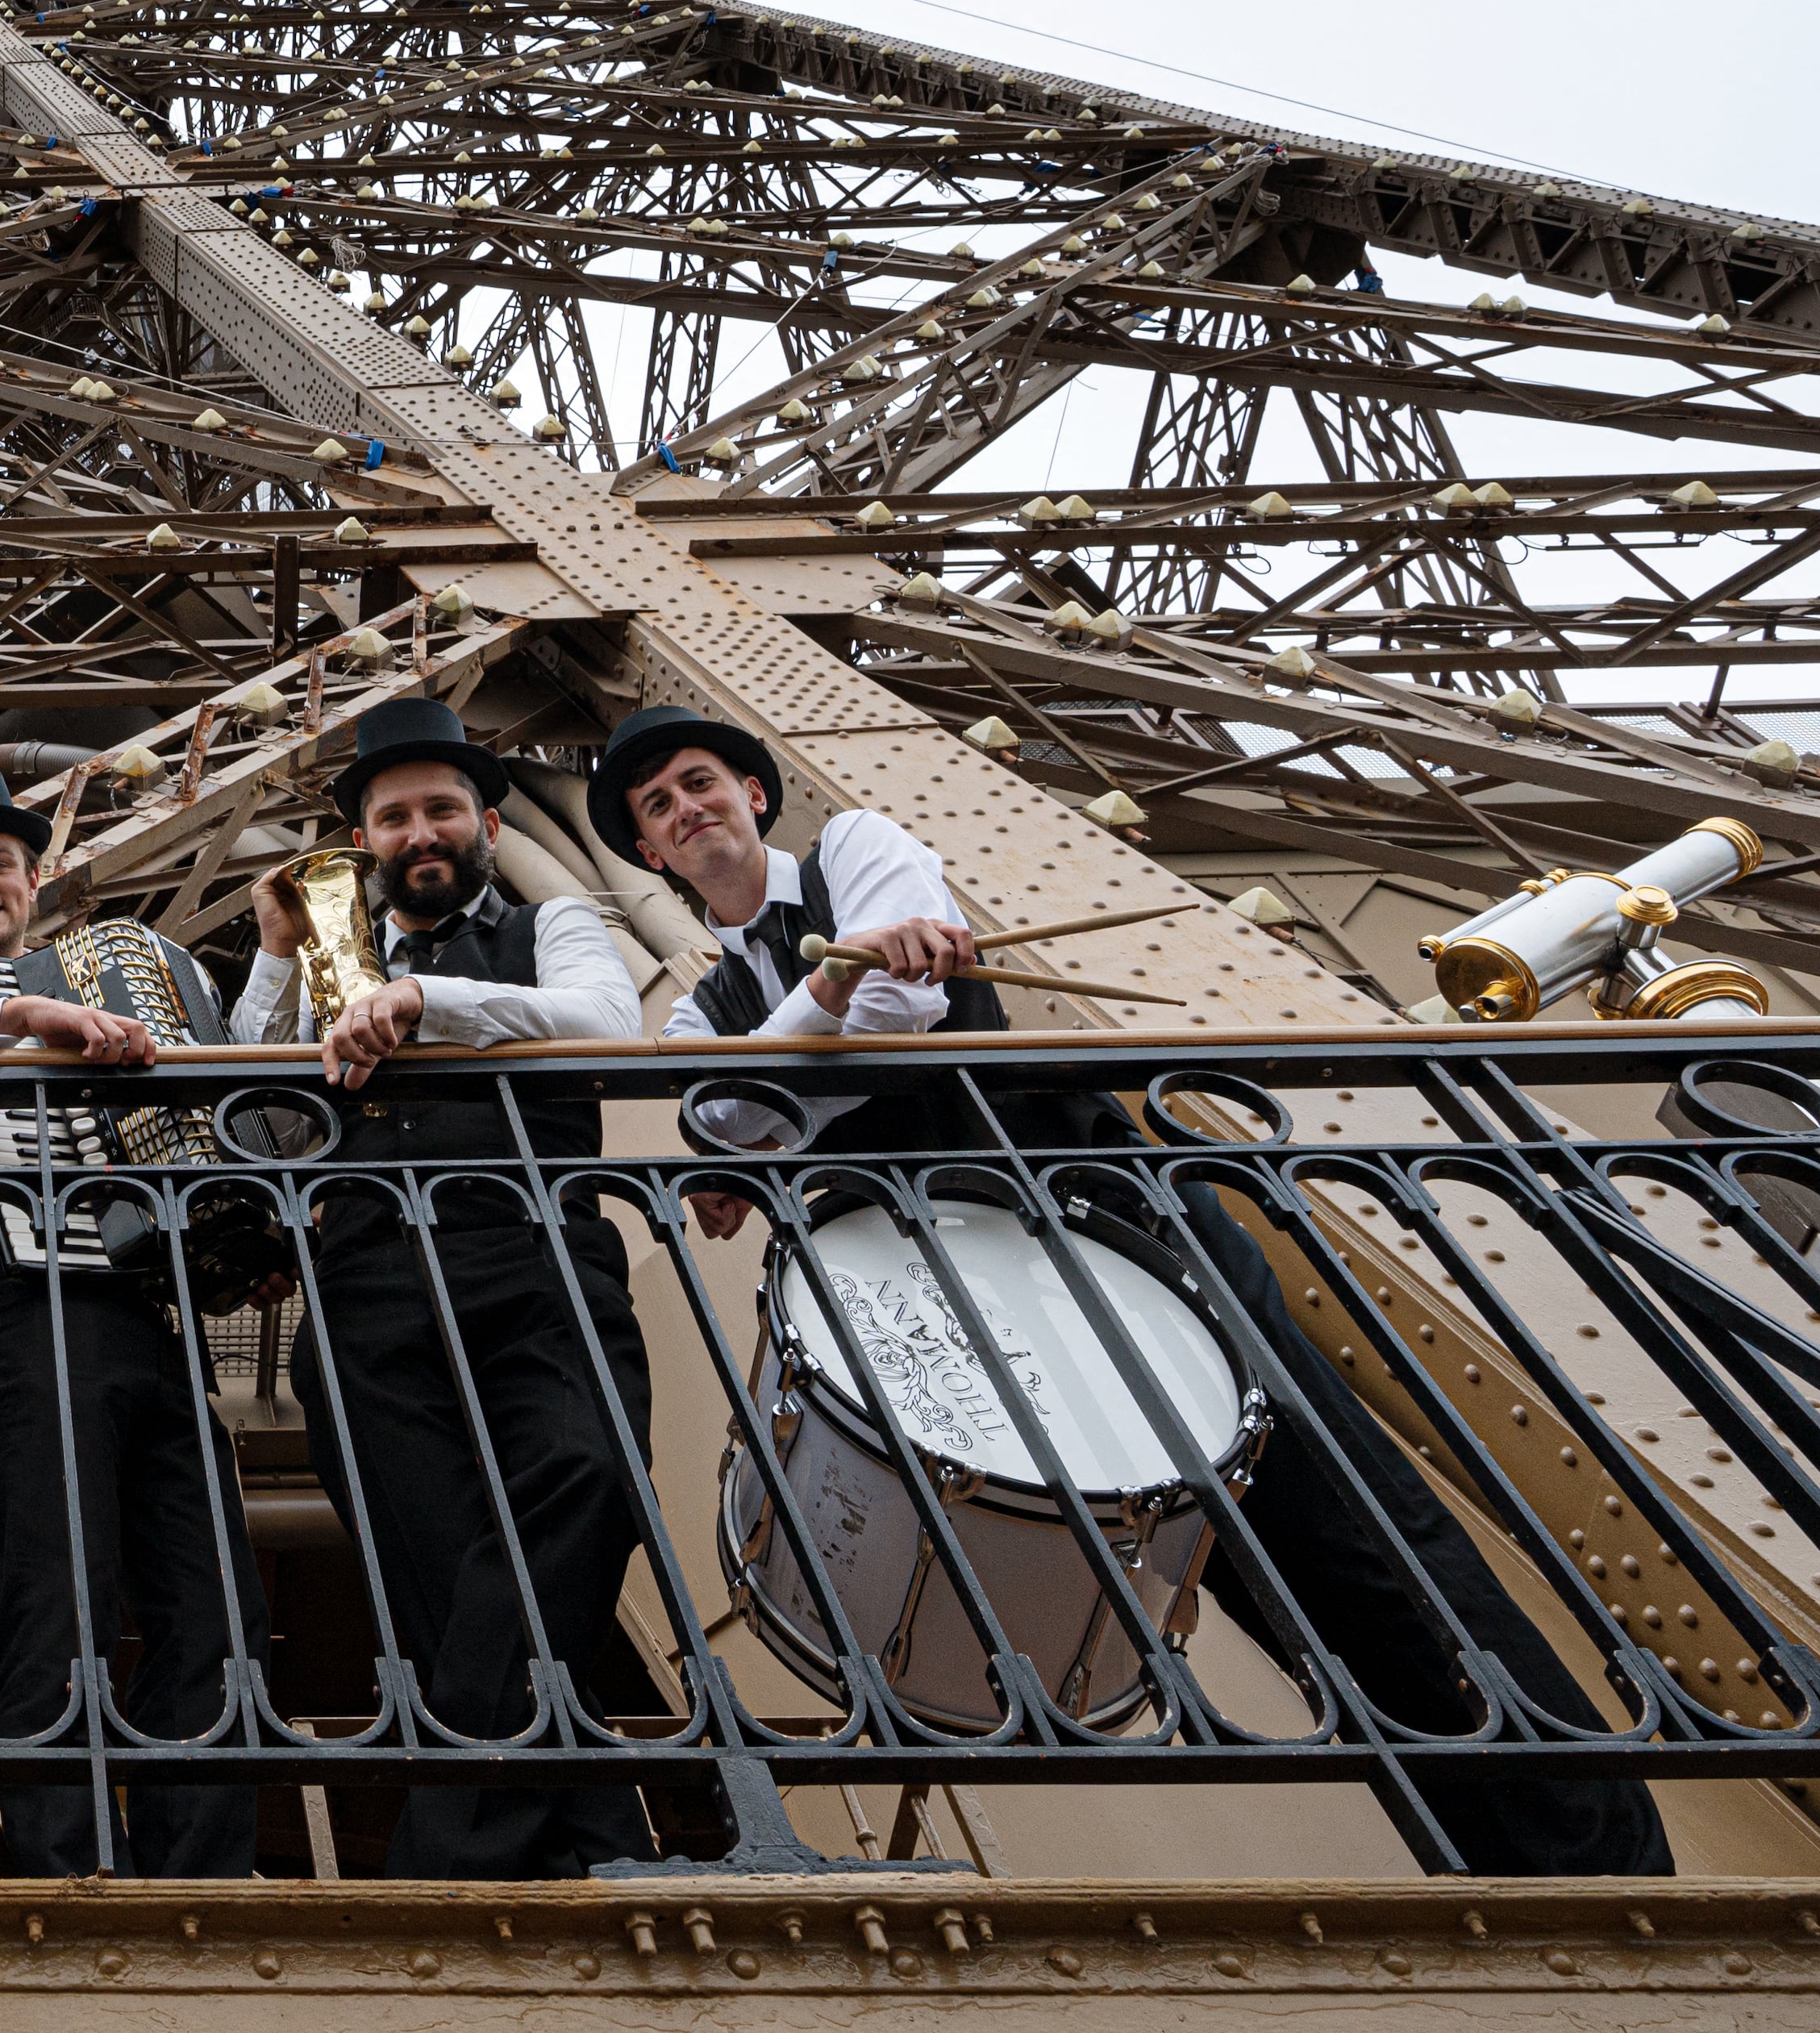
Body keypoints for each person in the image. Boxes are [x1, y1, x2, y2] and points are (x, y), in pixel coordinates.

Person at [591, 700, 1672, 1878]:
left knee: (1331, 1502)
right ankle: (1486, 1847)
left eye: (701, 781)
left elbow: (881, 1029)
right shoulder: (706, 1005)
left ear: (756, 792)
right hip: (975, 1284)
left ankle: (1590, 1834)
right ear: (649, 852)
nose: (687, 807)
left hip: (1102, 1221)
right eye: (658, 805)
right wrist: (824, 1009)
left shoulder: (855, 844)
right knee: (1215, 1552)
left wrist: (783, 1070)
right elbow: (739, 1103)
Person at [227, 695, 656, 1879]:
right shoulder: (327, 960)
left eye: (442, 808)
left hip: (531, 1247)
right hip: (367, 1277)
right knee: (435, 1556)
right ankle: (585, 1824)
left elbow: (606, 1025)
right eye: (394, 813)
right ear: (365, 838)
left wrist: (428, 1003)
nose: (420, 829)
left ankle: (453, 1839)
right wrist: (275, 959)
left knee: (588, 1472)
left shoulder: (553, 921)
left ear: (486, 820)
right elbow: (256, 1126)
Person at [0, 756, 266, 1880]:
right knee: (60, 1578)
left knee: (211, 1583)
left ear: (34, 877)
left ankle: (196, 1866)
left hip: (144, 1308)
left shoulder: (106, 967)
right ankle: (64, 1862)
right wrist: (9, 1016)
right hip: (12, 1303)